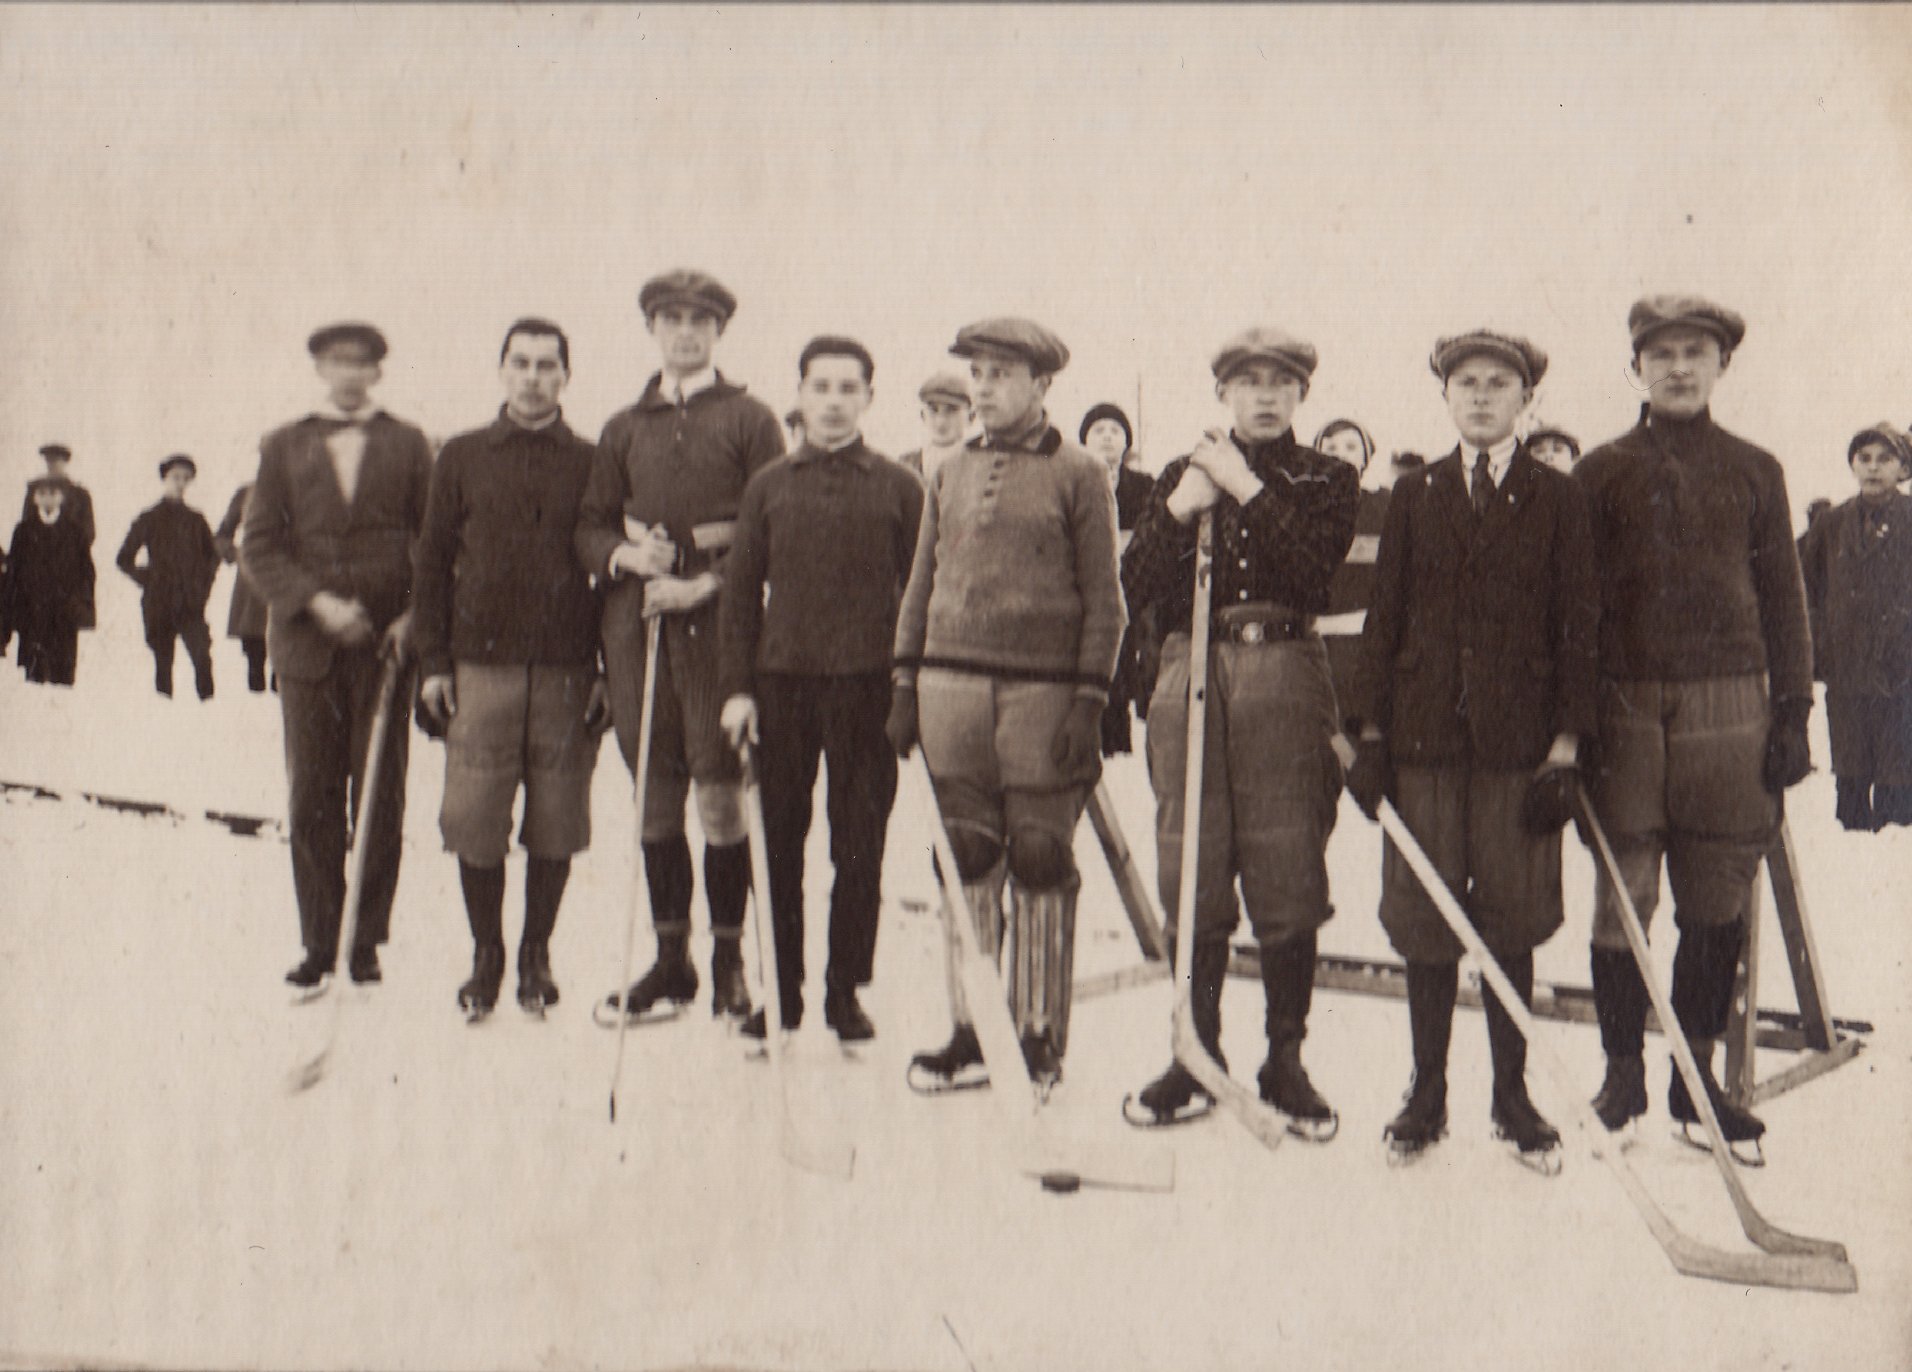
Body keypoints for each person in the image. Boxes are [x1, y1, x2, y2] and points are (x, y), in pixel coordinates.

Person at [1344, 332, 1598, 1168]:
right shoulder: (1413, 495)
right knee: (1426, 920)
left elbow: (1579, 627)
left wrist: (1565, 749)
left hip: (1517, 752)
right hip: (1423, 744)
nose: (1482, 397)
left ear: (1526, 399)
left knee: (1511, 919)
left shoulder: (1558, 498)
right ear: (1446, 396)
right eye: (1466, 383)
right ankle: (1427, 1092)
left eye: (1499, 383)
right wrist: (1371, 738)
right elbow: (1384, 622)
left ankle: (1511, 1096)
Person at [1575, 295, 1813, 1160]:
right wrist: (1574, 726)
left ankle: (1695, 1077)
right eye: (1662, 354)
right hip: (1628, 711)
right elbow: (1577, 610)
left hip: (1730, 712)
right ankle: (1621, 1074)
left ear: (1722, 366)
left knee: (1715, 902)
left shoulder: (1756, 469)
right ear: (1636, 366)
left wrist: (1793, 712)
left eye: (1695, 354)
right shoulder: (1599, 472)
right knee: (1623, 897)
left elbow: (1785, 598)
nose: (1679, 368)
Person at [1120, 329, 1357, 1135]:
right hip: (1190, 670)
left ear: (1301, 396)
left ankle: (1284, 1061)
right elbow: (1135, 581)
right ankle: (1196, 1052)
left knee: (1288, 863)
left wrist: (1245, 487)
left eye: (1280, 383)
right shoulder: (1181, 476)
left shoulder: (1325, 478)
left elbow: (1315, 575)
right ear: (1224, 392)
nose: (1264, 396)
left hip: (1283, 671)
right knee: (1191, 861)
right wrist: (1182, 506)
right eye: (1248, 382)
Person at [889, 317, 1123, 1094]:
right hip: (950, 694)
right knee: (964, 855)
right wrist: (903, 682)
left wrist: (1088, 702)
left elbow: (1106, 602)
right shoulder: (949, 471)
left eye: (1002, 374)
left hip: (1041, 699)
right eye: (978, 374)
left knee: (1040, 856)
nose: (985, 388)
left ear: (1042, 383)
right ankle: (973, 1028)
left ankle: (1036, 1035)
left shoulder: (1080, 473)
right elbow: (921, 584)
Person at [576, 269, 785, 1023]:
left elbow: (774, 524)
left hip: (718, 631)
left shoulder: (751, 418)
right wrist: (629, 558)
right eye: (672, 320)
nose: (686, 333)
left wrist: (706, 584)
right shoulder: (622, 427)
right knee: (654, 795)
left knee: (720, 796)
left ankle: (729, 959)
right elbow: (590, 525)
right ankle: (673, 961)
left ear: (719, 331)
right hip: (639, 630)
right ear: (652, 329)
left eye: (701, 320)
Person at [718, 335, 924, 1042]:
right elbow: (740, 598)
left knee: (859, 844)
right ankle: (782, 994)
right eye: (821, 387)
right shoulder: (769, 485)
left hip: (867, 691)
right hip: (783, 687)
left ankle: (844, 991)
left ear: (869, 397)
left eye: (848, 388)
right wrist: (737, 690)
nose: (833, 402)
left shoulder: (900, 487)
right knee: (778, 843)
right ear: (800, 395)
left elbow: (921, 596)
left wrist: (909, 688)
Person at [414, 318, 609, 1016]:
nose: (533, 377)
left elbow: (609, 571)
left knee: (557, 817)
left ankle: (535, 953)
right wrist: (434, 663)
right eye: (520, 363)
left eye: (547, 365)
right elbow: (432, 562)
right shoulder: (462, 456)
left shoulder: (593, 460)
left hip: (566, 672)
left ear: (566, 376)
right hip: (479, 668)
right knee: (474, 816)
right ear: (501, 370)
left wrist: (608, 671)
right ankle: (486, 954)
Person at [244, 321, 434, 989]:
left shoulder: (409, 443)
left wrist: (413, 618)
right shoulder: (284, 444)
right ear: (320, 369)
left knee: (379, 795)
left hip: (385, 650)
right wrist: (316, 603)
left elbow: (435, 544)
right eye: (337, 362)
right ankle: (321, 942)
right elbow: (258, 546)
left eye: (361, 363)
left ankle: (365, 940)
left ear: (377, 372)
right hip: (307, 650)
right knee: (312, 798)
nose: (349, 374)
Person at [1798, 422, 1912, 831]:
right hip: (1847, 674)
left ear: (1903, 469)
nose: (1873, 467)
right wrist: (1822, 641)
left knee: (1899, 787)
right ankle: (1852, 843)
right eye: (1864, 458)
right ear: (1852, 464)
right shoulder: (1832, 524)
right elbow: (1803, 585)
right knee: (1850, 782)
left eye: (1885, 459)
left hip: (1902, 676)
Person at [116, 455, 221, 700]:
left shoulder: (196, 520)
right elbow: (123, 559)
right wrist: (149, 579)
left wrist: (201, 586)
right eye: (175, 477)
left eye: (186, 478)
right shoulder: (149, 518)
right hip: (159, 602)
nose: (180, 483)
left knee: (202, 658)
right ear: (165, 478)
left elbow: (213, 558)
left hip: (190, 603)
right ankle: (163, 711)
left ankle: (209, 709)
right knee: (163, 663)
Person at [1313, 418, 1391, 725]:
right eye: (1330, 448)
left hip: (1365, 644)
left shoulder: (1385, 505)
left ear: (1365, 456)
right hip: (1315, 645)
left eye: (1350, 447)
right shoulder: (1303, 507)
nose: (1340, 455)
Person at [1, 477, 94, 685]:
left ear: (61, 498)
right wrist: (13, 615)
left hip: (64, 617)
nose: (47, 499)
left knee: (63, 679)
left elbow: (87, 574)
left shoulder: (75, 533)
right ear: (34, 499)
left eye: (53, 494)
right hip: (32, 617)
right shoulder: (23, 532)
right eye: (42, 494)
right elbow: (13, 577)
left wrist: (80, 608)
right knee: (34, 681)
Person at [212, 482, 271, 692]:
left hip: (290, 580)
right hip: (253, 582)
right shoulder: (246, 493)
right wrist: (237, 554)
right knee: (255, 663)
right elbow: (221, 536)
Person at [1079, 402, 1154, 535]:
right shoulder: (1070, 486)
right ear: (1085, 441)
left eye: (1115, 431)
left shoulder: (1145, 486)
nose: (1107, 437)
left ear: (1126, 443)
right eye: (1099, 431)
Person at [897, 371, 971, 486]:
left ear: (971, 417)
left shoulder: (979, 463)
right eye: (933, 410)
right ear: (923, 416)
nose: (941, 421)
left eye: (952, 410)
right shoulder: (905, 464)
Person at [20, 443, 96, 548]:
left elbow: (89, 531)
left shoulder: (80, 494)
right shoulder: (34, 490)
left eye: (56, 461)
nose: (51, 465)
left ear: (65, 462)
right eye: (48, 461)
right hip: (39, 552)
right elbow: (25, 524)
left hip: (69, 553)